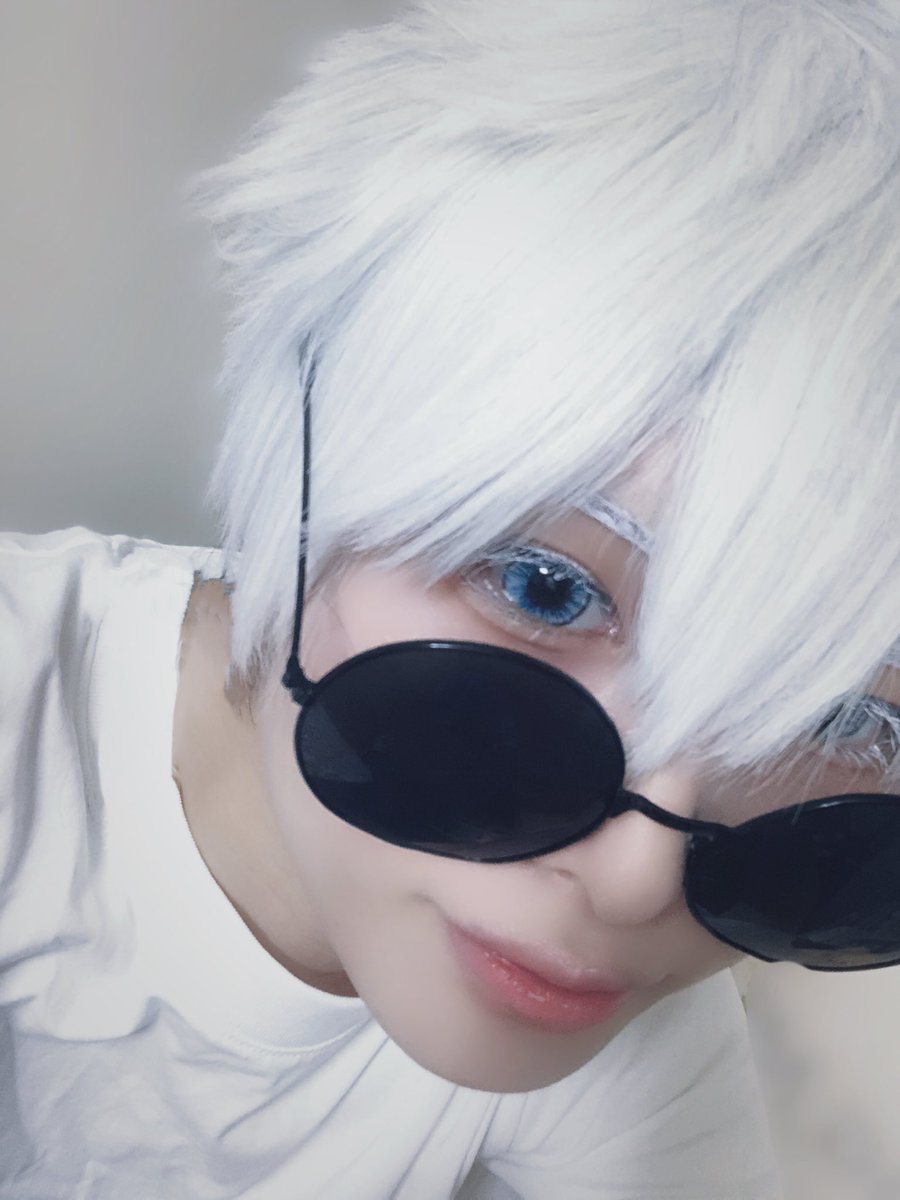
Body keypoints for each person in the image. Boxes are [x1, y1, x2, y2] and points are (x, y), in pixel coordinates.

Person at [2, 0, 898, 1195]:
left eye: (838, 714)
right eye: (545, 586)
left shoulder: (625, 1034)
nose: (637, 882)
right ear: (309, 468)